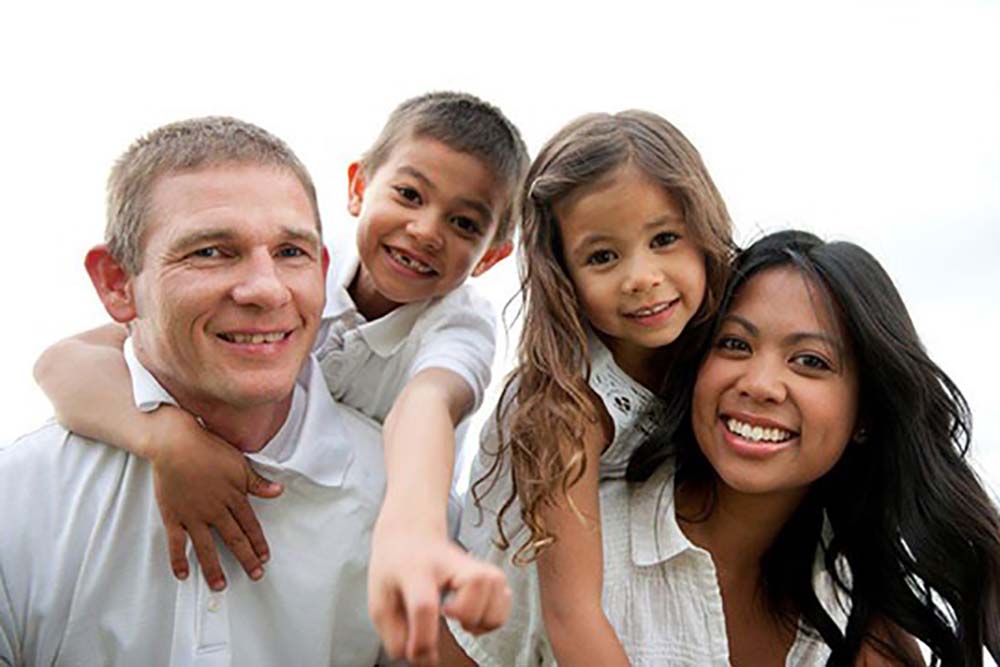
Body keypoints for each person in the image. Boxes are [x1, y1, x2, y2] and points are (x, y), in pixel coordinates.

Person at [33, 92, 527, 664]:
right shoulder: (293, 263)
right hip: (248, 492)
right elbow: (63, 362)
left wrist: (409, 531)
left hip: (370, 532)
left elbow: (425, 407)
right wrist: (166, 437)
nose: (425, 229)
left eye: (464, 223)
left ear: (491, 257)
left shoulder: (459, 325)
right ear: (358, 187)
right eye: (409, 195)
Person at [1, 116, 393, 664]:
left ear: (322, 271)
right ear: (117, 283)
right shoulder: (18, 501)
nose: (265, 289)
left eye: (290, 253)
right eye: (211, 251)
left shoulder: (400, 501)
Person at [619, 230, 1000, 665]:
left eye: (810, 361)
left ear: (865, 417)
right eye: (735, 344)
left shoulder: (859, 627)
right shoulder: (580, 534)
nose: (760, 385)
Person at [441, 110, 736, 666]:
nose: (641, 277)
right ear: (563, 277)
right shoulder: (564, 405)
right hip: (481, 638)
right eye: (602, 257)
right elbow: (570, 612)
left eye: (665, 238)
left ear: (704, 232)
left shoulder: (718, 351)